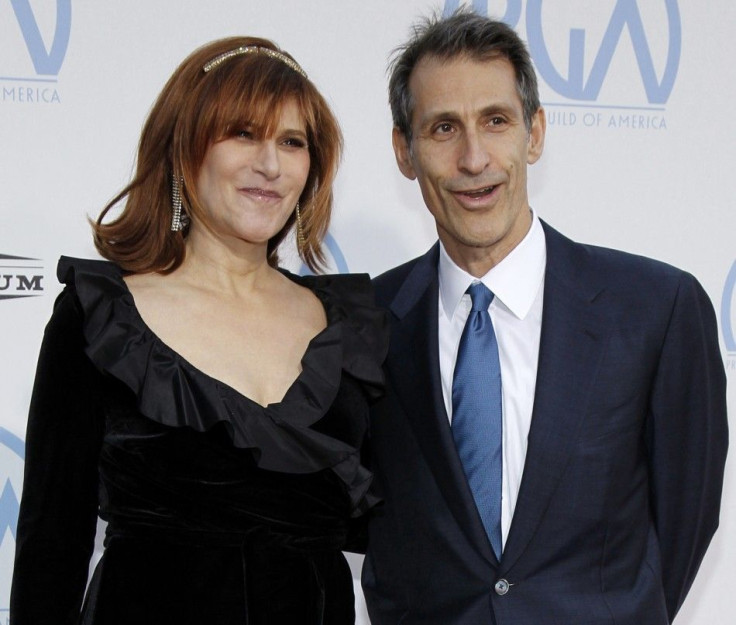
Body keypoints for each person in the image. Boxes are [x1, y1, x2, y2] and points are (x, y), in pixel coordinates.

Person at [362, 10, 728, 625]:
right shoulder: (365, 322)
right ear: (404, 150)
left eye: (496, 121)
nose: (474, 158)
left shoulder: (655, 309)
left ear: (534, 134)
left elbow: (686, 517)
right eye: (444, 128)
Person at [11, 36, 387, 625]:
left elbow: (409, 531)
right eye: (243, 133)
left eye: (292, 142)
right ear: (185, 148)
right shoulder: (102, 317)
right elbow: (50, 546)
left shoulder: (353, 327)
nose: (270, 164)